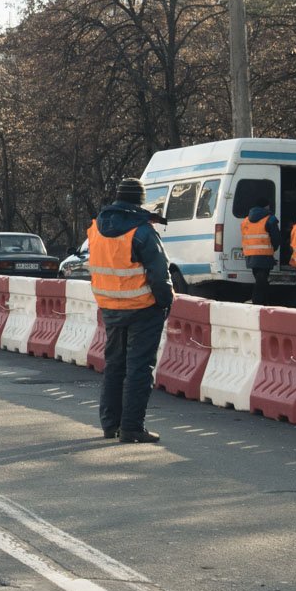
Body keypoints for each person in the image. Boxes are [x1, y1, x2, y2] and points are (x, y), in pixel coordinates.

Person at [88, 178, 174, 444]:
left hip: (110, 307)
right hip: (143, 308)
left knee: (114, 365)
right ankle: (132, 428)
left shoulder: (96, 228)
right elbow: (159, 274)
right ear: (140, 201)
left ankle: (110, 424)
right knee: (139, 368)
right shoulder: (142, 231)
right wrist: (165, 301)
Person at [241, 197, 281, 305]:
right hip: (264, 254)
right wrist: (274, 247)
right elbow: (276, 237)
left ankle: (264, 302)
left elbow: (244, 236)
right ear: (266, 206)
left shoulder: (245, 221)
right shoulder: (270, 219)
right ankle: (258, 302)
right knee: (262, 280)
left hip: (250, 255)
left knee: (260, 279)